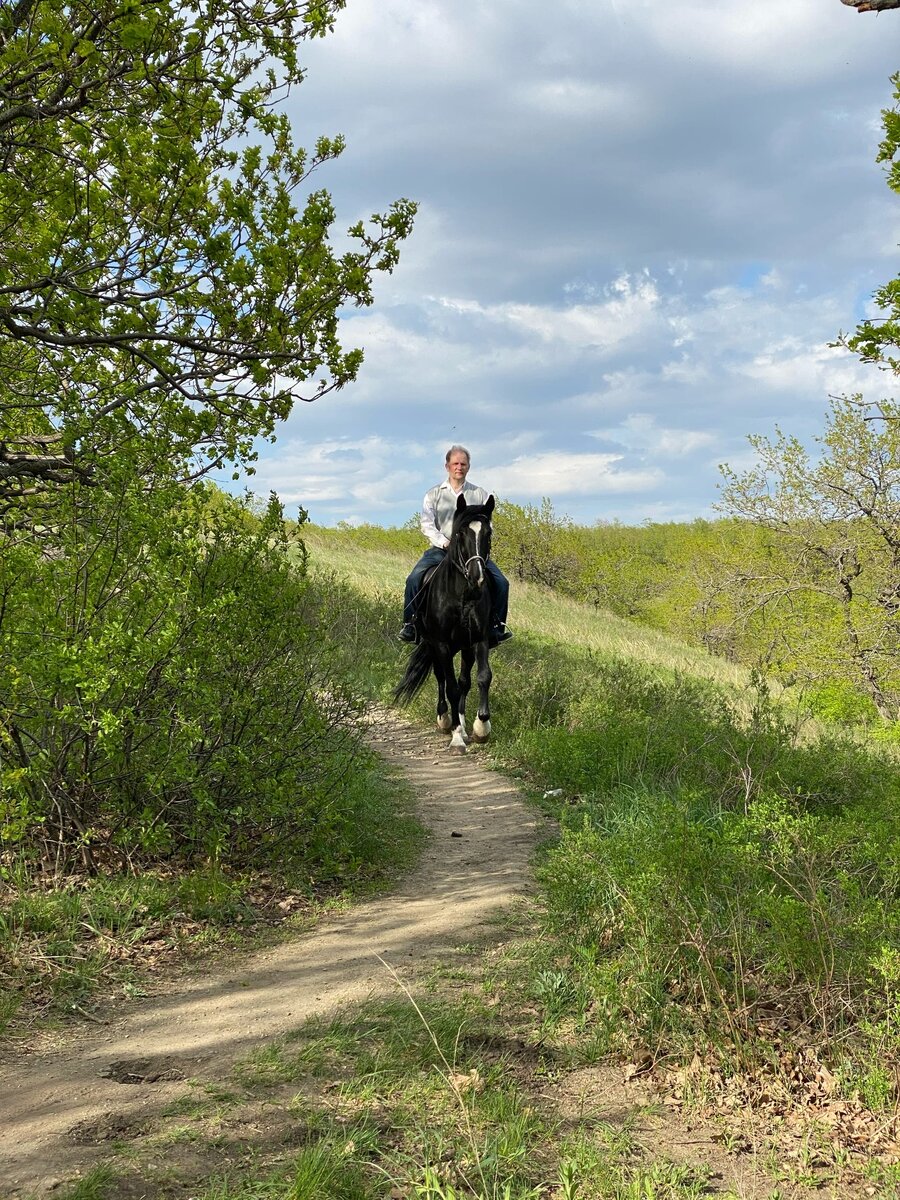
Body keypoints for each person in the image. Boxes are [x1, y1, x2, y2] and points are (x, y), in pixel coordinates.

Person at [399, 445, 512, 646]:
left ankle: (496, 627)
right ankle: (411, 624)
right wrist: (444, 542)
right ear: (447, 466)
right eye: (455, 463)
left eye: (463, 464)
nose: (459, 467)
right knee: (414, 578)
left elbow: (487, 524)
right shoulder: (433, 494)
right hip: (441, 550)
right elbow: (426, 524)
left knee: (502, 583)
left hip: (471, 553)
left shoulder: (480, 494)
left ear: (468, 467)